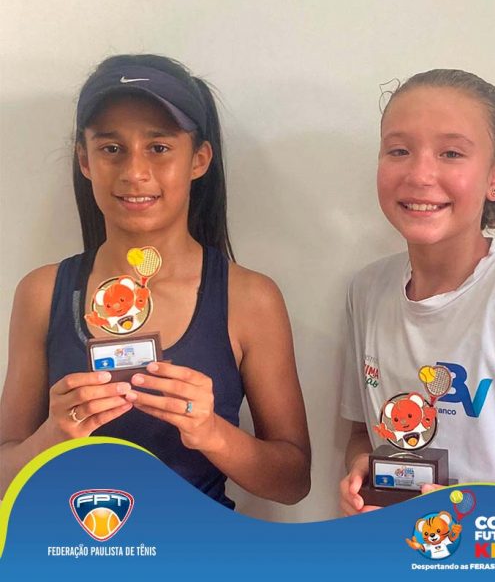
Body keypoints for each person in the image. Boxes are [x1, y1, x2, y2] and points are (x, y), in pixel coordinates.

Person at [0, 54, 311, 509]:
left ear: (199, 159)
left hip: (196, 546)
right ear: (84, 159)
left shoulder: (249, 298)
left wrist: (211, 433)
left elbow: (293, 482)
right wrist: (53, 435)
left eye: (159, 147)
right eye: (111, 148)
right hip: (70, 543)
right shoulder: (43, 293)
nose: (134, 172)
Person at [339, 69, 495, 516]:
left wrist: (482, 517)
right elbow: (363, 433)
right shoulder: (367, 291)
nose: (420, 174)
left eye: (451, 153)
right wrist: (362, 468)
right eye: (399, 150)